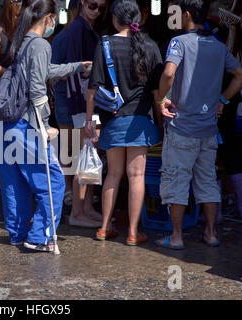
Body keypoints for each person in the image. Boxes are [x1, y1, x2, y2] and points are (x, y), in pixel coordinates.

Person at [0, 0, 92, 251]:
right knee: (54, 180)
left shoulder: (22, 40)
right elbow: (38, 87)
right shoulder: (39, 44)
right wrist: (44, 124)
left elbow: (42, 71)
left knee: (15, 182)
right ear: (49, 17)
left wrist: (75, 66)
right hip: (27, 123)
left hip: (7, 122)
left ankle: (18, 234)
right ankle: (39, 237)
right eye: (56, 17)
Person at [154, 0, 242, 250]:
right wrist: (223, 100)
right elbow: (241, 75)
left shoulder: (179, 42)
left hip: (181, 126)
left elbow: (168, 72)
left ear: (186, 15)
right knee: (207, 180)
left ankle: (175, 237)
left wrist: (161, 99)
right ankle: (210, 233)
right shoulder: (218, 46)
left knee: (177, 180)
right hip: (208, 129)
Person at [85, 0, 163, 245]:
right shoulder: (150, 46)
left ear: (116, 19)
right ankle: (132, 232)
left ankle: (104, 227)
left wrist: (89, 120)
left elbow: (93, 88)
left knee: (114, 175)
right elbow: (157, 92)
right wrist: (160, 121)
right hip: (141, 120)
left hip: (114, 120)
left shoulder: (105, 44)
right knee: (136, 176)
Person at [64, 0, 108, 228]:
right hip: (84, 102)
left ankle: (87, 207)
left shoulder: (85, 28)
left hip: (87, 101)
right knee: (87, 155)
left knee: (91, 155)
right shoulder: (78, 30)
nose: (97, 11)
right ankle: (78, 211)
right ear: (82, 2)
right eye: (93, 5)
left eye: (101, 7)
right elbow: (78, 69)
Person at [216, 5, 242, 223]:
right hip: (229, 103)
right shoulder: (239, 48)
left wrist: (220, 100)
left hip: (216, 104)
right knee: (230, 153)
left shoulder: (222, 45)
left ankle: (216, 213)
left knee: (212, 157)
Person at [0, 0, 23, 189]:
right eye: (18, 13)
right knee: (0, 132)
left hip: (20, 89)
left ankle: (13, 174)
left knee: (17, 131)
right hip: (3, 88)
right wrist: (11, 72)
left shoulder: (24, 32)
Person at [50, 0, 80, 207]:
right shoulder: (62, 38)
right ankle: (69, 189)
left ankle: (71, 189)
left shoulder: (60, 37)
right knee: (71, 146)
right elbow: (53, 72)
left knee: (70, 146)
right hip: (68, 97)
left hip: (67, 96)